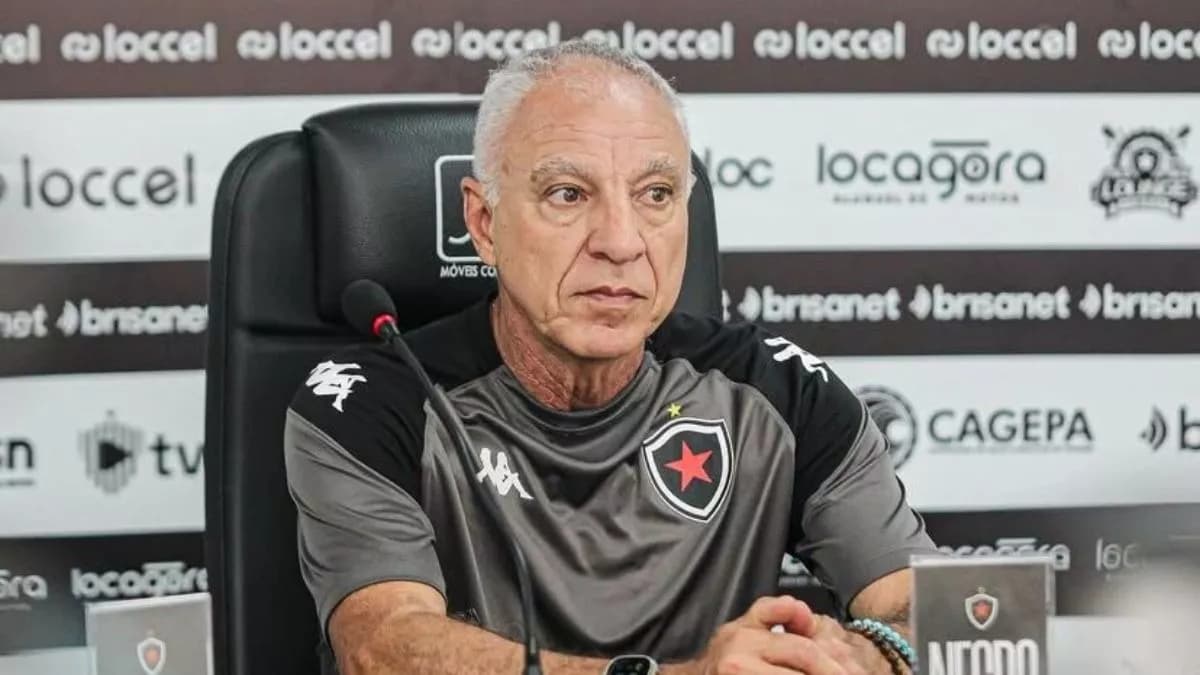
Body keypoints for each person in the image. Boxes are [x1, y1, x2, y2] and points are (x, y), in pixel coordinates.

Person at [284, 38, 936, 675]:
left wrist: (854, 656)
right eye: (568, 193)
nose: (622, 242)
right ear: (484, 224)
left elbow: (942, 611)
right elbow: (387, 650)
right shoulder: (375, 402)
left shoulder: (781, 393)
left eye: (655, 194)